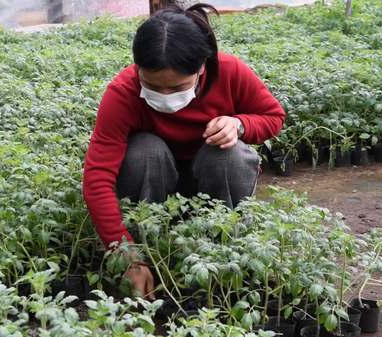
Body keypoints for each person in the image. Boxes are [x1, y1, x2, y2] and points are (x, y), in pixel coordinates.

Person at [82, 3, 285, 300]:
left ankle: (225, 249)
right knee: (144, 150)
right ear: (137, 67)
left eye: (178, 87)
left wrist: (239, 124)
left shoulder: (229, 72)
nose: (166, 96)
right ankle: (150, 248)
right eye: (152, 86)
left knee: (228, 154)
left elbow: (273, 116)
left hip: (212, 181)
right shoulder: (123, 92)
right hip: (156, 189)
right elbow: (97, 178)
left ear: (202, 67)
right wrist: (126, 254)